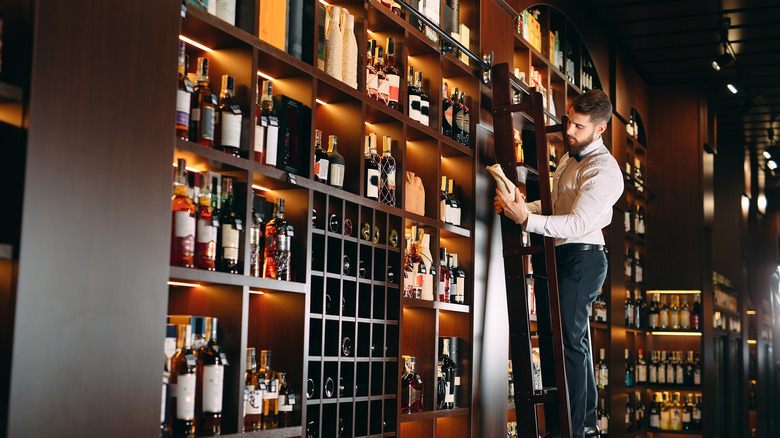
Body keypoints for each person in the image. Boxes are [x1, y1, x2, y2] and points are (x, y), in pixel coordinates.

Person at [494, 89, 623, 438]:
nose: (569, 131)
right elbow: (555, 206)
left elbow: (578, 223)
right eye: (569, 122)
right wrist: (521, 207)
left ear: (600, 129)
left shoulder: (604, 170)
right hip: (561, 253)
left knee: (568, 339)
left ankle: (578, 427)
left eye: (579, 127)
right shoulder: (570, 156)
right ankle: (575, 421)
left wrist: (526, 221)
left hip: (584, 257)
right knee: (564, 338)